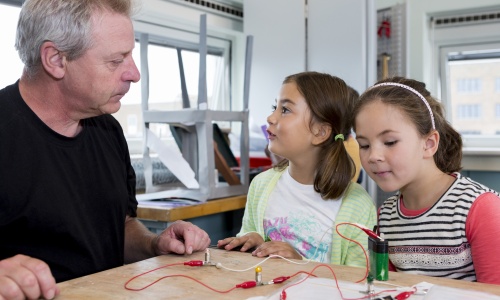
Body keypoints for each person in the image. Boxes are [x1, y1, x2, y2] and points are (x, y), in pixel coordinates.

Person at [0, 1, 210, 299]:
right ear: (56, 59)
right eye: (116, 60)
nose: (134, 73)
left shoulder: (109, 130)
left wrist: (153, 244)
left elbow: (119, 225)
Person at [218, 72, 376, 266]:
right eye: (274, 107)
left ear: (320, 132)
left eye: (284, 110)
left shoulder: (358, 205)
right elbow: (248, 245)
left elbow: (358, 281)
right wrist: (252, 242)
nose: (270, 117)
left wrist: (300, 263)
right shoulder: (261, 184)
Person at [352, 76, 500, 284]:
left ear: (429, 143)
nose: (373, 156)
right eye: (364, 145)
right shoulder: (385, 216)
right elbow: (386, 287)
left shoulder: (480, 208)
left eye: (390, 142)